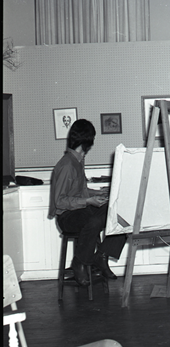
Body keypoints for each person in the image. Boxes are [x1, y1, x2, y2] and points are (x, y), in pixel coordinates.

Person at [48, 119, 126, 287]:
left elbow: (79, 191)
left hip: (79, 210)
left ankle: (102, 256)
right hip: (66, 217)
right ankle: (80, 262)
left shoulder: (77, 161)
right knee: (94, 220)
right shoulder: (67, 165)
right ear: (86, 142)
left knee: (120, 213)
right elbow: (59, 201)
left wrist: (99, 193)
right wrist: (89, 200)